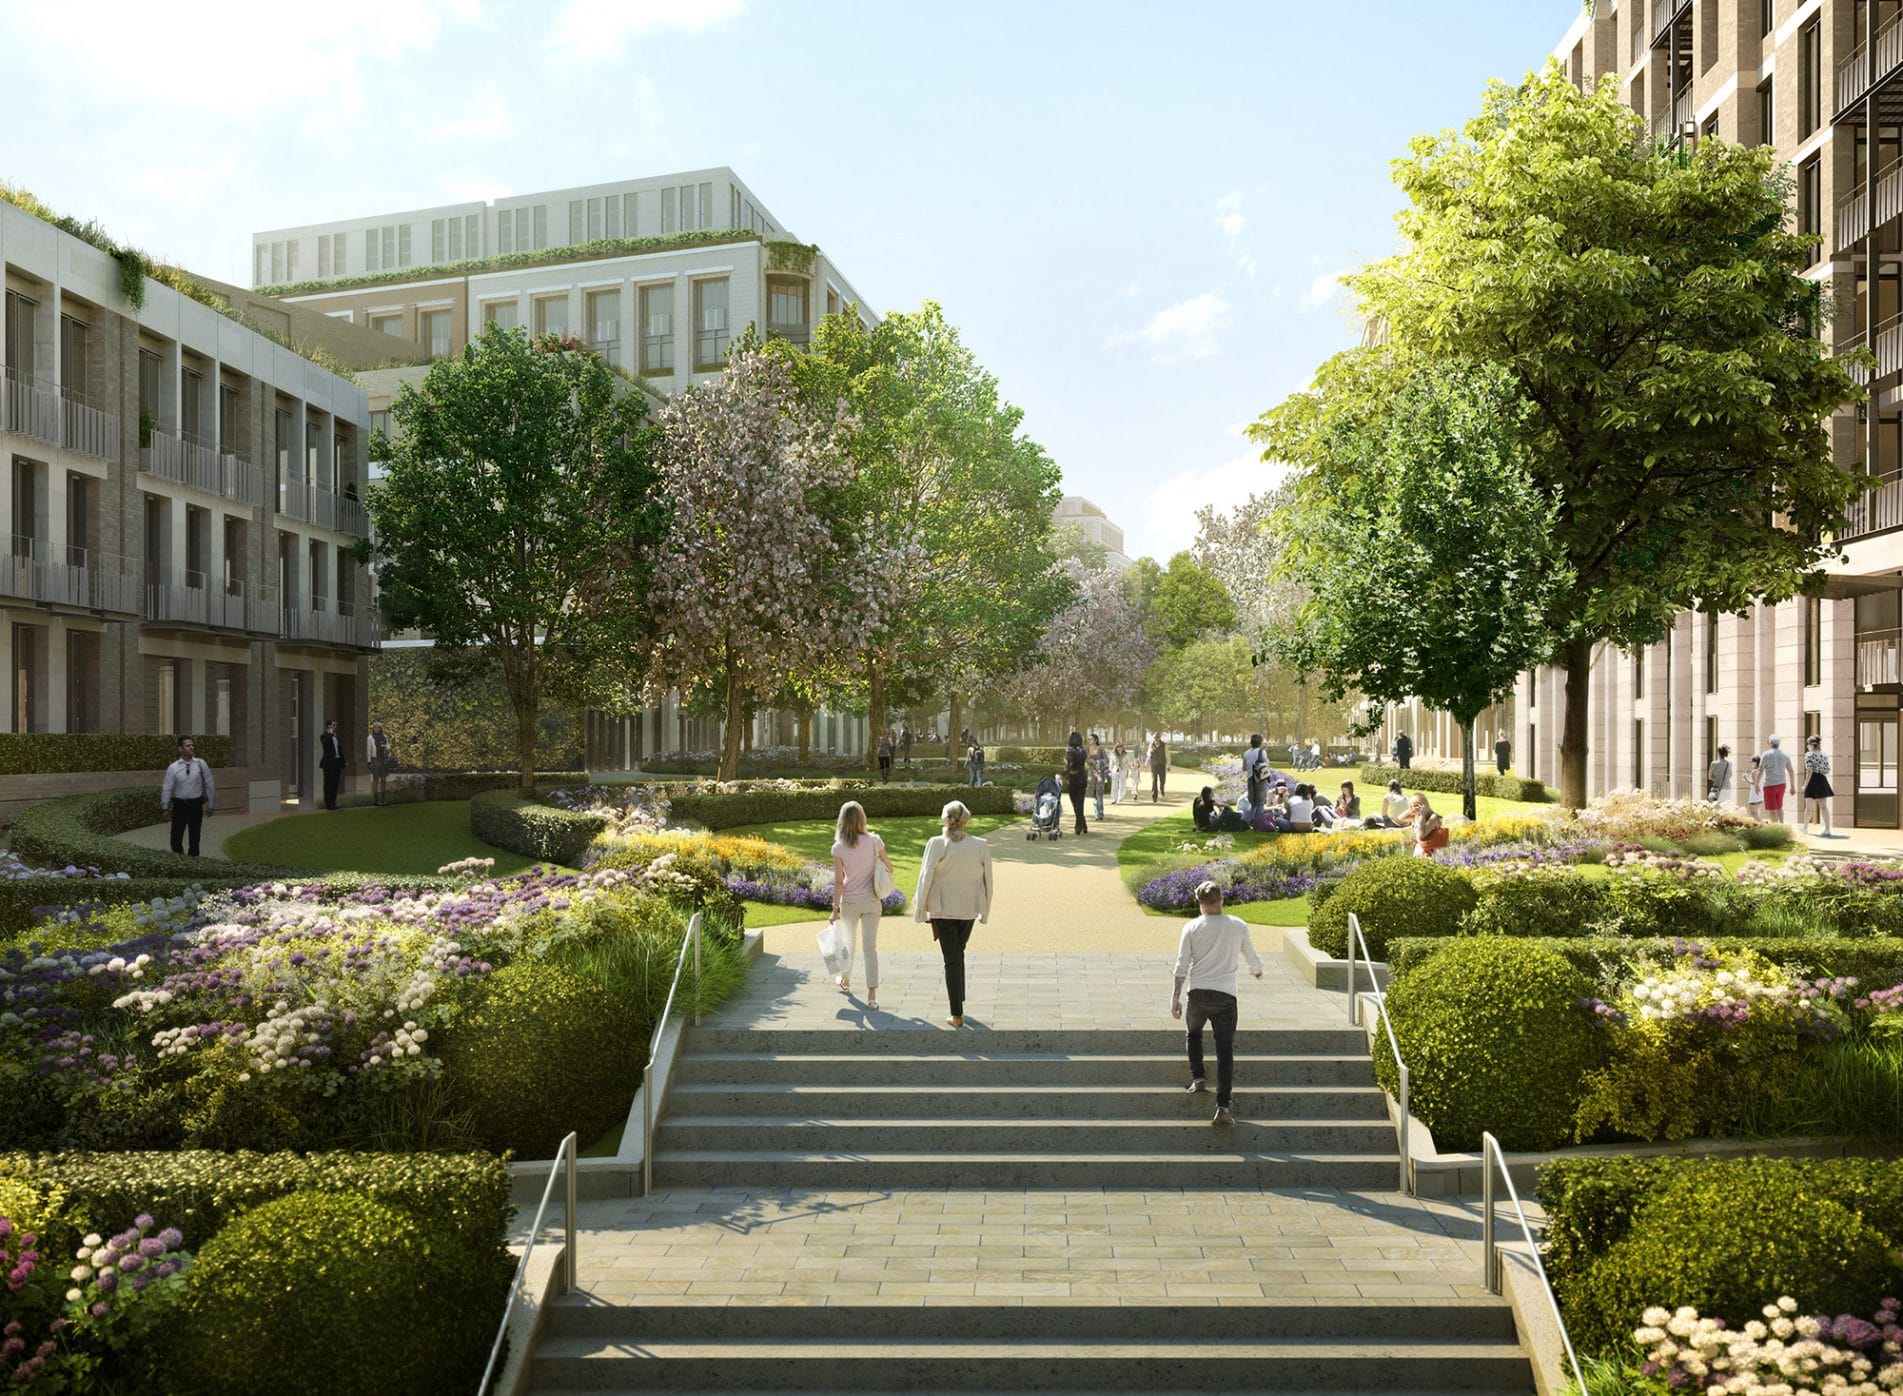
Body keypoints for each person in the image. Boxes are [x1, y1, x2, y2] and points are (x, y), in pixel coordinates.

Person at [1170, 880, 1264, 1127]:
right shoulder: (1238, 926)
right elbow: (1252, 957)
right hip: (1225, 996)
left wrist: (1175, 997)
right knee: (1225, 1051)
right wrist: (1257, 971)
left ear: (1200, 903)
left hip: (1198, 993)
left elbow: (1182, 965)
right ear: (1221, 900)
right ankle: (1222, 1108)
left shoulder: (1191, 927)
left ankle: (1198, 1078)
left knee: (1193, 1034)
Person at [915, 799, 994, 1028]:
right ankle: (958, 999)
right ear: (966, 821)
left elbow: (925, 878)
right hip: (968, 908)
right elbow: (988, 881)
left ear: (944, 820)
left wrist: (920, 910)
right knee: (957, 954)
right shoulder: (980, 845)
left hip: (943, 909)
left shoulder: (936, 843)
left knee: (952, 958)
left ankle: (956, 1014)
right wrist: (985, 910)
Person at [830, 800, 897, 1009]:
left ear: (842, 821)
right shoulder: (875, 841)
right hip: (871, 901)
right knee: (870, 948)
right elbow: (890, 867)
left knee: (849, 944)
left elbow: (839, 881)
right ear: (862, 819)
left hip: (849, 901)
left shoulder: (838, 847)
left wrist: (834, 910)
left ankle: (846, 980)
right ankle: (872, 995)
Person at [160, 735, 216, 857]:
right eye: (188, 745)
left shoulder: (201, 764)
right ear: (180, 749)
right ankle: (179, 860)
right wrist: (164, 807)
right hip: (179, 805)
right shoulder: (173, 768)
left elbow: (210, 783)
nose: (192, 747)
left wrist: (210, 804)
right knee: (175, 837)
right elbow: (167, 788)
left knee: (195, 837)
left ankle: (193, 861)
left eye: (192, 745)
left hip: (195, 805)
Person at [1758, 735, 1795, 825]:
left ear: (1770, 743)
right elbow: (1791, 771)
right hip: (1782, 784)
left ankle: (1775, 827)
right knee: (1779, 806)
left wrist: (1756, 784)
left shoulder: (1766, 754)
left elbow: (1760, 769)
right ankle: (1782, 825)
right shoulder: (1785, 755)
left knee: (1772, 808)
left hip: (1770, 784)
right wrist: (1792, 786)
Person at [1803, 734, 1835, 837]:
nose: (1807, 746)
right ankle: (1827, 829)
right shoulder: (1823, 754)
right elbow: (1827, 770)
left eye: (1808, 744)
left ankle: (1805, 828)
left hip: (1812, 780)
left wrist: (1805, 784)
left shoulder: (1809, 754)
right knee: (1824, 807)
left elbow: (1809, 770)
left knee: (1808, 808)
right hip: (1822, 779)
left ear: (1811, 745)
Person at [1065, 731, 1089, 834]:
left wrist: (1062, 773)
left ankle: (1078, 825)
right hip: (1082, 778)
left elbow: (1069, 765)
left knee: (1075, 803)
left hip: (1073, 779)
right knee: (1080, 803)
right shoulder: (1083, 751)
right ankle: (1083, 824)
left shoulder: (1069, 751)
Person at [319, 719, 345, 811]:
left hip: (337, 762)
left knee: (335, 783)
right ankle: (328, 804)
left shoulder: (336, 736)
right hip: (328, 763)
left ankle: (334, 802)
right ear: (329, 726)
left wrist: (343, 761)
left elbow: (340, 749)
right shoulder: (324, 736)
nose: (335, 727)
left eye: (336, 725)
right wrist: (330, 734)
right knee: (328, 783)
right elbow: (326, 747)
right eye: (334, 725)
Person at [365, 722, 393, 807]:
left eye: (378, 728)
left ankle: (383, 799)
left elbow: (388, 747)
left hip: (383, 759)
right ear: (373, 729)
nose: (377, 729)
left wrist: (386, 747)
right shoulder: (370, 738)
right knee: (376, 779)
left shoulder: (384, 737)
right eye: (375, 728)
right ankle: (376, 800)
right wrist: (369, 761)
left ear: (381, 729)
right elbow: (369, 750)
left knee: (383, 780)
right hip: (375, 759)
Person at [1242, 734, 1267, 812]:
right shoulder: (1262, 752)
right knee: (1260, 803)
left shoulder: (1246, 753)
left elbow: (1244, 768)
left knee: (1252, 803)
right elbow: (1266, 765)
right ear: (1260, 742)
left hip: (1250, 779)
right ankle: (1258, 822)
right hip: (1260, 779)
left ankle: (1250, 820)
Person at [1087, 735, 1108, 820]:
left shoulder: (1101, 749)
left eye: (1090, 739)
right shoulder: (1087, 749)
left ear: (1095, 740)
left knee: (1099, 794)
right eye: (1088, 739)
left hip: (1100, 774)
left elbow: (1107, 760)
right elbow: (1086, 761)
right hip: (1091, 774)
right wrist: (1088, 762)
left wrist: (1097, 762)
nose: (1089, 740)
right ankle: (1097, 813)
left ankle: (1099, 814)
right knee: (1094, 794)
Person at [1747, 756, 1765, 821]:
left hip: (1755, 794)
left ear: (1756, 762)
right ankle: (1759, 826)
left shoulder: (1754, 771)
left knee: (1753, 813)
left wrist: (1746, 779)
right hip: (1760, 794)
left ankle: (1763, 825)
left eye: (1752, 762)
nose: (1751, 763)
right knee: (1755, 813)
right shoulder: (1761, 771)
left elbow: (1754, 783)